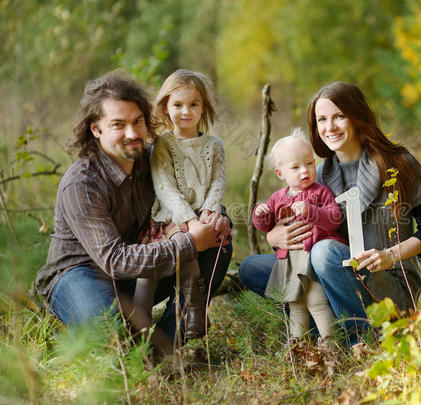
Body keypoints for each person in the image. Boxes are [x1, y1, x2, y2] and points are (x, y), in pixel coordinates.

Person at [35, 70, 230, 356]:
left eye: (138, 121)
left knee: (218, 240)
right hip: (80, 274)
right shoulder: (81, 184)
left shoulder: (153, 159)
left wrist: (216, 218)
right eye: (118, 125)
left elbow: (194, 196)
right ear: (96, 129)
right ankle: (105, 335)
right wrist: (188, 243)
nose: (132, 133)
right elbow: (114, 260)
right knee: (109, 333)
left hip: (136, 273)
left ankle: (165, 347)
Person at [239, 81, 421, 346]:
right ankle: (326, 328)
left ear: (357, 117)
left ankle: (363, 338)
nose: (330, 127)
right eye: (322, 119)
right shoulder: (318, 174)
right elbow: (286, 217)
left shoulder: (398, 164)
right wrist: (274, 237)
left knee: (324, 252)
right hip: (331, 277)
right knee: (252, 268)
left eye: (339, 116)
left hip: (388, 283)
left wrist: (389, 256)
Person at [134, 69, 231, 340]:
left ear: (203, 108)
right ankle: (136, 330)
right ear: (166, 106)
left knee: (194, 253)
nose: (185, 111)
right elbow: (164, 186)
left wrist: (210, 212)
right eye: (177, 104)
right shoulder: (163, 144)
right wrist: (189, 221)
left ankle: (193, 313)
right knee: (155, 269)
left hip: (202, 215)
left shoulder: (214, 145)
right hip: (169, 219)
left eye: (193, 104)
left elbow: (218, 182)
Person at [253, 129, 343, 343]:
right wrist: (261, 214)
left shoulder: (320, 192)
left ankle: (330, 341)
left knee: (316, 300)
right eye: (295, 167)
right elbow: (267, 227)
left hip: (312, 258)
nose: (305, 171)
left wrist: (312, 211)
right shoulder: (277, 198)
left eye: (309, 163)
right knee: (295, 303)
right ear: (280, 173)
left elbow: (334, 218)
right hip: (291, 262)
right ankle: (297, 343)